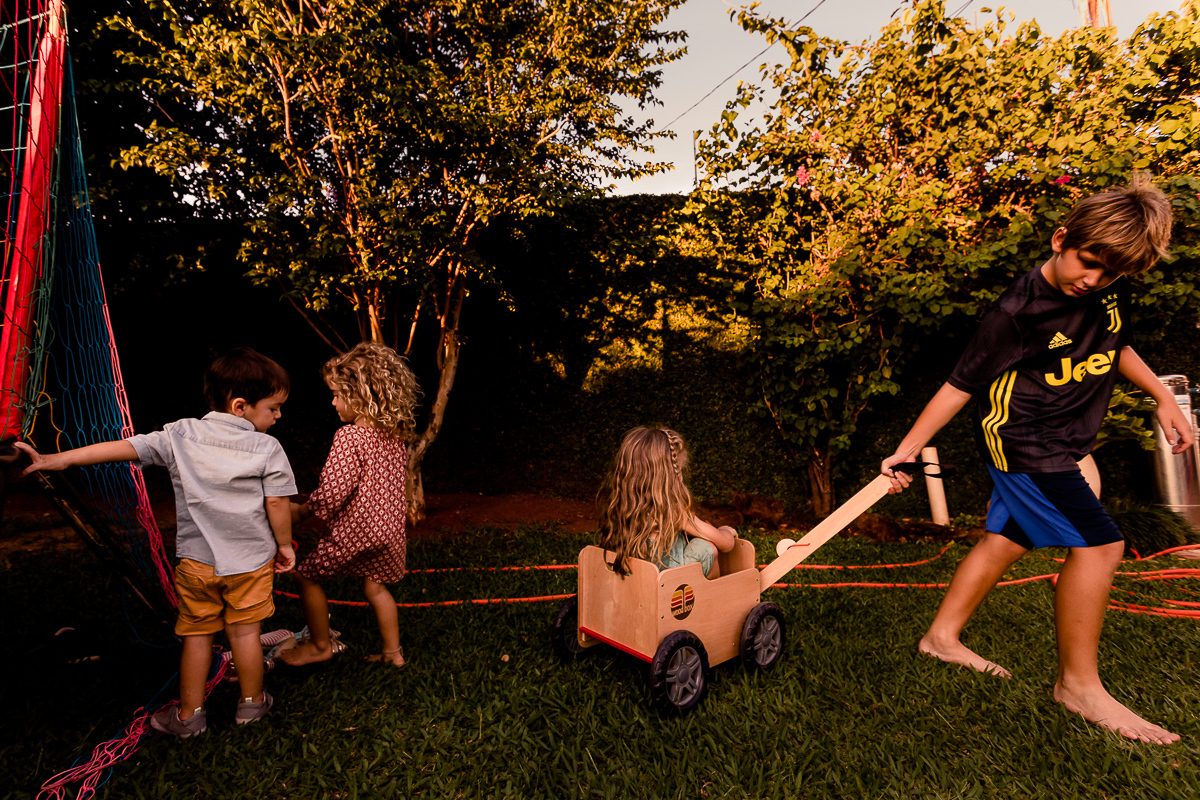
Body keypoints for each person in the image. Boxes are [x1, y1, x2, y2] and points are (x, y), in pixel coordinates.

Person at [881, 176, 1191, 745]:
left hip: (1065, 440)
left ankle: (941, 639)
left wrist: (1162, 395)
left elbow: (1115, 345)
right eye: (1088, 263)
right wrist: (906, 450)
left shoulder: (1108, 287)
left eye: (1109, 274)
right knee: (1101, 545)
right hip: (1024, 443)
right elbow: (959, 385)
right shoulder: (1017, 313)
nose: (1093, 280)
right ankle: (1078, 686)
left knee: (1007, 539)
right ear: (1060, 239)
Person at [17, 347, 297, 737]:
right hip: (250, 564)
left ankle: (189, 716)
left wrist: (58, 459)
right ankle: (251, 705)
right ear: (240, 406)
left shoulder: (180, 435)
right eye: (273, 408)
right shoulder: (267, 448)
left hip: (197, 564)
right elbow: (278, 503)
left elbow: (125, 447)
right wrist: (284, 544)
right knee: (246, 634)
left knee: (197, 637)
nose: (278, 416)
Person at [281, 342, 420, 668]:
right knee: (375, 587)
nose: (333, 402)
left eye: (337, 395)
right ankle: (393, 654)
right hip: (390, 532)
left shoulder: (350, 436)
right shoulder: (394, 436)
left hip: (358, 531)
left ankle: (320, 646)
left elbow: (333, 492)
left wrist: (302, 511)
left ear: (360, 396)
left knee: (305, 576)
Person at [597, 427, 737, 577]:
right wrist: (726, 531)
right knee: (707, 547)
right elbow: (726, 544)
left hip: (636, 579)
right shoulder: (673, 512)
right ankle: (711, 590)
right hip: (671, 584)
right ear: (671, 476)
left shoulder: (622, 508)